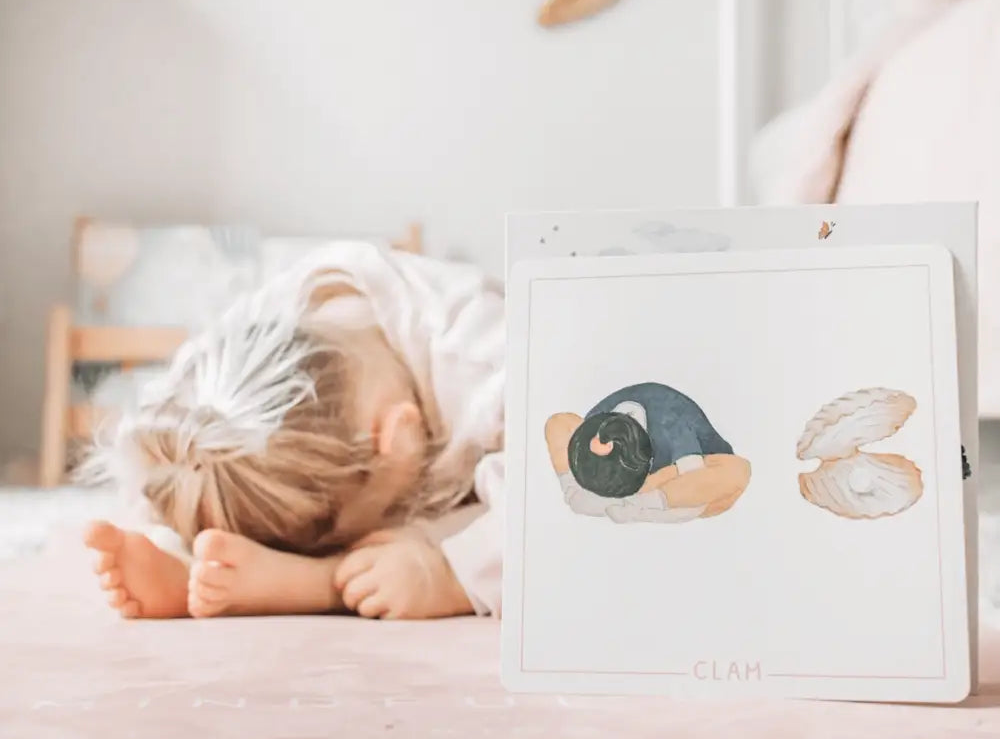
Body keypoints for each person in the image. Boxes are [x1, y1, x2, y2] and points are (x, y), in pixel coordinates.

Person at [83, 240, 505, 620]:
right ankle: (211, 567)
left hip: (507, 464)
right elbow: (169, 460)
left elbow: (556, 506)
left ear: (397, 440)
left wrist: (449, 577)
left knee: (500, 510)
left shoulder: (490, 358)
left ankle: (318, 583)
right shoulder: (218, 371)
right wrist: (168, 538)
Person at [544, 383, 750, 523]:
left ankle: (642, 506)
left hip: (687, 471)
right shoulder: (594, 426)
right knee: (558, 422)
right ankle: (578, 492)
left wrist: (653, 489)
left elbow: (689, 473)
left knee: (738, 471)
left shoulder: (672, 426)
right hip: (646, 484)